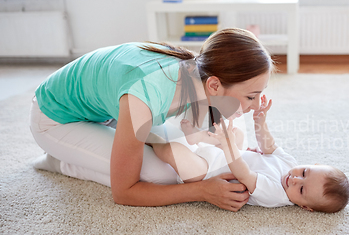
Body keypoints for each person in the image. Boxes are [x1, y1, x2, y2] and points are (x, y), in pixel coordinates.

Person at [30, 28, 273, 211]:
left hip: (106, 111)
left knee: (185, 151)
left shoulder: (195, 73)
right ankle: (60, 161)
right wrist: (202, 191)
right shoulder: (145, 97)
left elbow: (206, 134)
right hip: (56, 121)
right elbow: (125, 194)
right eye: (251, 96)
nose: (254, 106)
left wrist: (237, 147)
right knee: (164, 174)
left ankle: (86, 150)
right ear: (215, 85)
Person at [151, 95, 349, 213]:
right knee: (237, 134)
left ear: (305, 207)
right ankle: (197, 138)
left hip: (207, 173)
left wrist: (227, 144)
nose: (295, 179)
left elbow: (243, 174)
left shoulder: (276, 195)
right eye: (305, 173)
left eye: (301, 190)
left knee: (173, 152)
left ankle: (150, 140)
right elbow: (268, 146)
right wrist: (260, 122)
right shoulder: (290, 163)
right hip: (225, 154)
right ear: (313, 164)